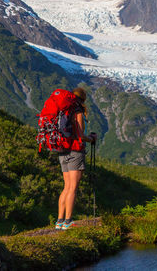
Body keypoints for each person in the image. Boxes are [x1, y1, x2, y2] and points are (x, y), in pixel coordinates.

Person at [55, 87, 97, 230]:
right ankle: (68, 221)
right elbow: (80, 134)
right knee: (73, 187)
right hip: (75, 151)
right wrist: (90, 139)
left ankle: (59, 220)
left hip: (63, 150)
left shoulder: (63, 110)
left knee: (66, 187)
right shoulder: (77, 111)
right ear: (82, 99)